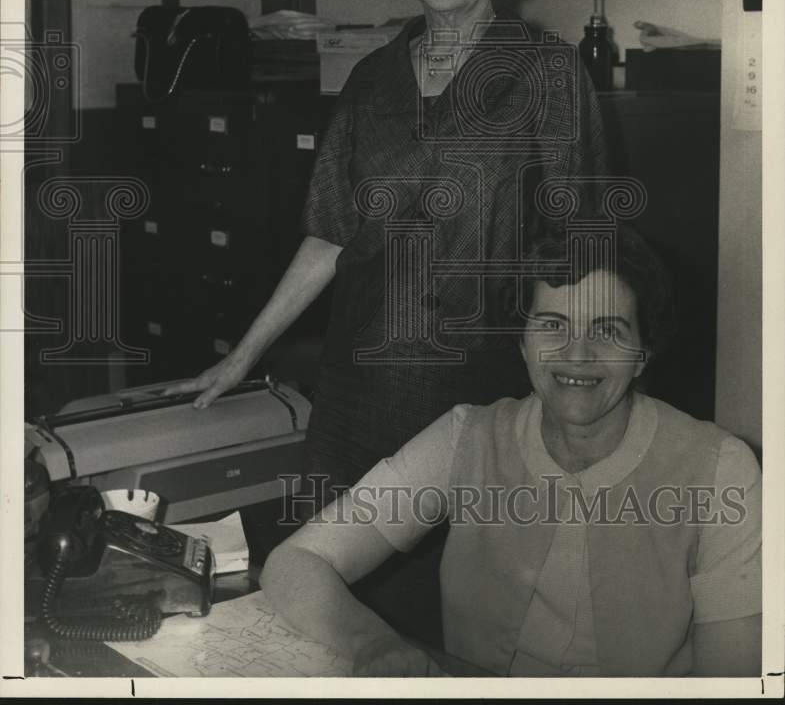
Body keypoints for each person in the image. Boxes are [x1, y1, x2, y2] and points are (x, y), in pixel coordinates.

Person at [166, 0, 608, 639]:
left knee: (470, 622)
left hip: (481, 397)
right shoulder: (369, 81)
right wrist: (244, 354)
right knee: (322, 601)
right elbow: (328, 237)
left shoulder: (548, 76)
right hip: (356, 392)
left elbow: (578, 248)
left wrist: (569, 397)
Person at [260, 226, 762, 677]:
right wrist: (372, 643)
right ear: (521, 343)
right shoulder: (464, 438)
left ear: (643, 354)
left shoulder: (720, 468)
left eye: (608, 330)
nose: (576, 354)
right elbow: (296, 563)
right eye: (551, 325)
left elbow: (731, 683)